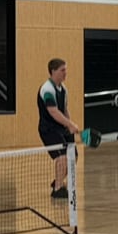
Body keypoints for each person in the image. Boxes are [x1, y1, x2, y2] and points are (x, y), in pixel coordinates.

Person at [37, 58, 78, 200]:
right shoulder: (47, 89)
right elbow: (53, 111)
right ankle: (58, 189)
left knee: (73, 157)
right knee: (61, 157)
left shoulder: (64, 89)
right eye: (62, 70)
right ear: (53, 71)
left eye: (66, 69)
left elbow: (64, 109)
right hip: (48, 129)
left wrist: (69, 124)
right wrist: (70, 124)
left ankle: (57, 180)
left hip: (61, 128)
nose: (65, 73)